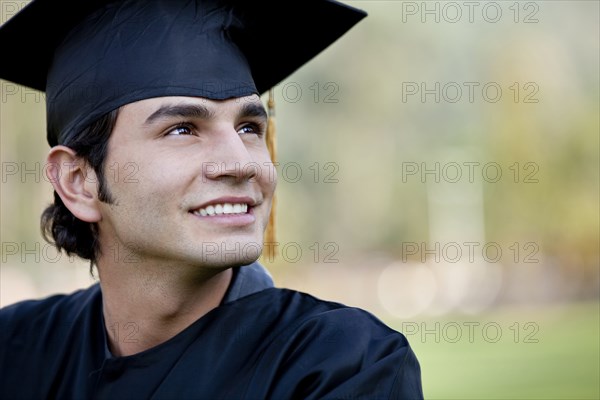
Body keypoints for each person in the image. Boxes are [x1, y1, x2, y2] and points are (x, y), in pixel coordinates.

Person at [0, 0, 423, 398]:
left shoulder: (342, 365)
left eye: (249, 129)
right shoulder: (16, 352)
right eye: (182, 129)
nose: (242, 164)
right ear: (78, 181)